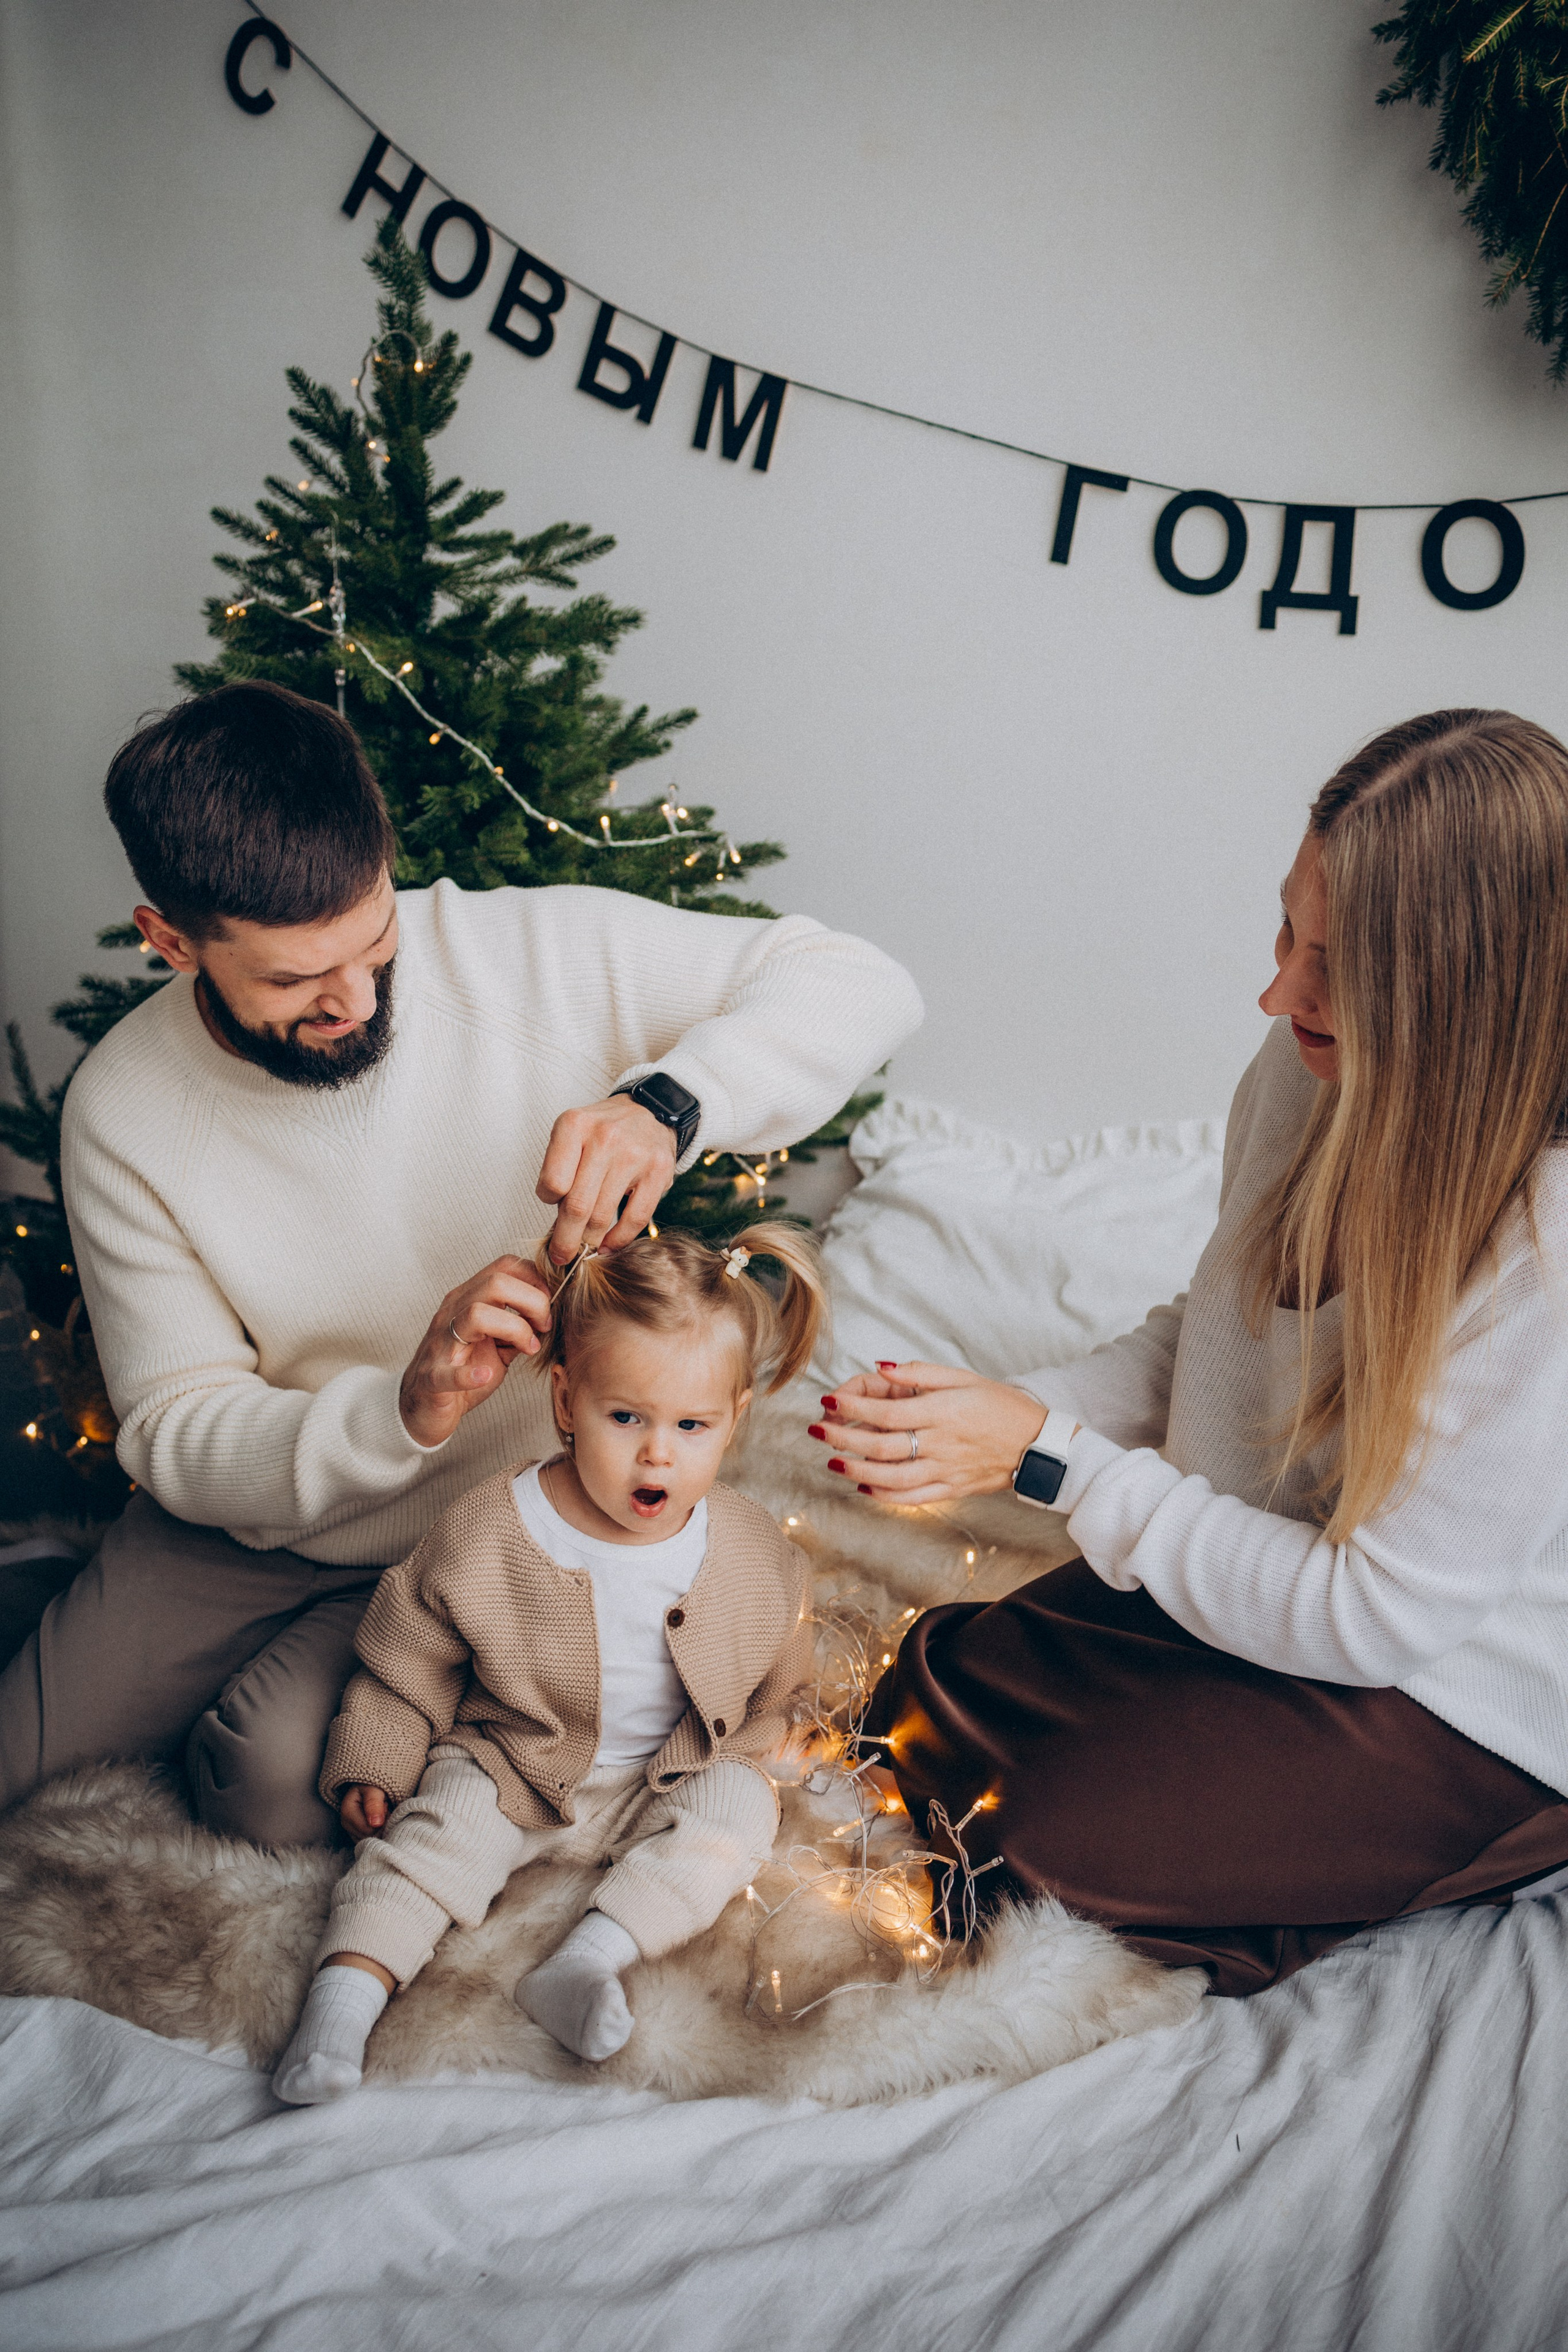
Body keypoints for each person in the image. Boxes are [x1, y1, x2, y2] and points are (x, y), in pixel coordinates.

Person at [0, 682, 919, 1846]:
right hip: (248, 1525)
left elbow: (864, 983)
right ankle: (56, 1601)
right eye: (293, 980)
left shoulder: (531, 953)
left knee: (272, 1792)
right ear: (169, 940)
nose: (356, 996)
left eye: (375, 941)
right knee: (21, 1768)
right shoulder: (124, 1107)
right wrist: (402, 1408)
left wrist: (672, 1104)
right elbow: (178, 1433)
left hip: (500, 1526)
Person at [816, 709, 1568, 1996]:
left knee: (1029, 1854)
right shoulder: (1300, 1066)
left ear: (1463, 991)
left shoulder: (1542, 1250)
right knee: (921, 1701)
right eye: (1287, 930)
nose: (1278, 992)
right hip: (1282, 1562)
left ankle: (1479, 1848)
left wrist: (1053, 1465)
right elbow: (1215, 1333)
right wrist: (1007, 1413)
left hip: (1452, 1687)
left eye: (1338, 964)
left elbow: (1372, 1618)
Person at [271, 1224, 821, 2102]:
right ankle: (340, 2004)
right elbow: (404, 1657)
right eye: (626, 1417)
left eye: (691, 1425)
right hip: (516, 1761)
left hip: (663, 1774)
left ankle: (587, 1961)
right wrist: (374, 1757)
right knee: (430, 1845)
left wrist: (780, 1733)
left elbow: (776, 1659)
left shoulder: (751, 1548)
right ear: (566, 1400)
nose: (658, 1453)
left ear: (734, 1420)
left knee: (734, 1821)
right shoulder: (492, 1527)